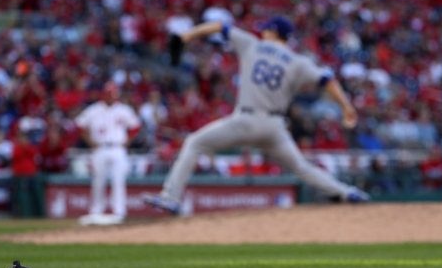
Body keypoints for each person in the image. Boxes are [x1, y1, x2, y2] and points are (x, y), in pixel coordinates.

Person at [143, 16, 370, 215]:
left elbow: (219, 27)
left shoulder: (252, 44)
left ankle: (171, 197)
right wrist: (347, 107)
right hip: (274, 126)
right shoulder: (297, 61)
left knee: (194, 143)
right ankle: (348, 193)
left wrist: (186, 35)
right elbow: (327, 80)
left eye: (266, 28)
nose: (262, 31)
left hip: (245, 120)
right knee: (301, 168)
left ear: (273, 32)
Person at [75, 82, 141, 225]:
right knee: (98, 180)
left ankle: (119, 212)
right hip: (100, 148)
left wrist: (127, 142)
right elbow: (79, 125)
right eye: (109, 94)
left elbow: (135, 126)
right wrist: (90, 142)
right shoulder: (94, 110)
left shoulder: (123, 109)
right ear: (103, 95)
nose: (111, 97)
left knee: (119, 180)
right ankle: (96, 211)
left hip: (118, 148)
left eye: (113, 94)